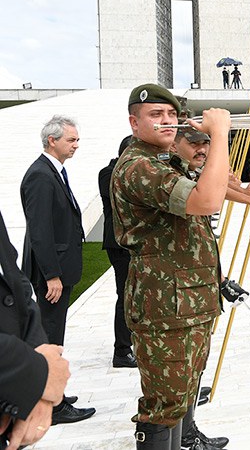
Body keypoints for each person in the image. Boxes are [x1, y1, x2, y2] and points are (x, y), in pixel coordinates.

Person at [111, 84, 230, 449]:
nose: (167, 122)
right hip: (165, 306)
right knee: (163, 406)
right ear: (134, 123)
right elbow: (206, 199)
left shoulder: (162, 160)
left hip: (186, 302)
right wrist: (221, 132)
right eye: (155, 116)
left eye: (171, 116)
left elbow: (207, 181)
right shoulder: (139, 167)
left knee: (180, 395)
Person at [19, 115, 96, 425]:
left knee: (53, 334)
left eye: (76, 139)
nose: (76, 145)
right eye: (71, 140)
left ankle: (55, 395)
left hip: (61, 269)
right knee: (51, 338)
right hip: (53, 273)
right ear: (52, 141)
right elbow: (40, 230)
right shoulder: (40, 175)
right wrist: (52, 274)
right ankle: (53, 404)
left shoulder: (53, 172)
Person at [1, 209, 71, 450]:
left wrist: (41, 354)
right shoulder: (39, 174)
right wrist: (38, 372)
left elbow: (11, 275)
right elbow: (40, 229)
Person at [98, 135, 137, 369]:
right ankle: (121, 351)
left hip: (134, 242)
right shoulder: (108, 173)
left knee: (137, 296)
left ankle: (134, 343)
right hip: (119, 244)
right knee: (125, 295)